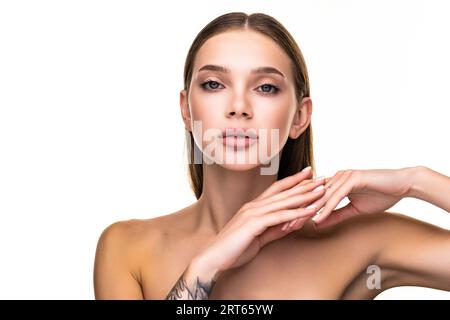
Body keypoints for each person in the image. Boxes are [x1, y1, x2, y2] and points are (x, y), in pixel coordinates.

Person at [93, 12, 450, 300]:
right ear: (186, 109)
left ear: (300, 117)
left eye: (266, 88)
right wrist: (206, 265)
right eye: (214, 84)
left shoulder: (361, 241)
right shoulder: (128, 248)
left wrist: (415, 181)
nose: (238, 107)